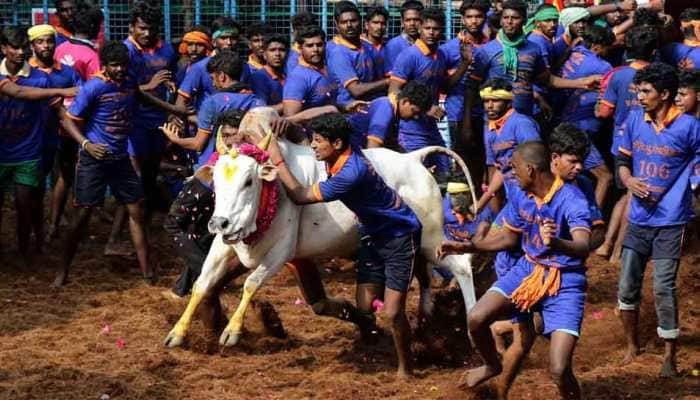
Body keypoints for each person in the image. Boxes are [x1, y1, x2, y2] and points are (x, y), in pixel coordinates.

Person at [267, 112, 422, 379]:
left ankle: (405, 368)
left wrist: (277, 158)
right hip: (373, 236)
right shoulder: (339, 154)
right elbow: (312, 128)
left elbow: (299, 195)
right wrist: (288, 126)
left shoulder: (351, 173)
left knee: (393, 312)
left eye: (318, 141)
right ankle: (378, 343)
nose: (312, 145)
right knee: (364, 308)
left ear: (336, 144)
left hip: (398, 236)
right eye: (313, 140)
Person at [438, 141, 592, 400]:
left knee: (559, 368)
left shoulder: (572, 199)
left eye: (515, 167)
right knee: (476, 318)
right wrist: (466, 246)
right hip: (528, 270)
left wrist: (555, 242)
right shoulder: (521, 196)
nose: (511, 173)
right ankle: (491, 365)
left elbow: (583, 245)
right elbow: (508, 238)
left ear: (531, 170)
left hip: (565, 282)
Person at [616, 62, 700, 377]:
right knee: (627, 284)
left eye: (646, 91)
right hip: (638, 218)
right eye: (639, 91)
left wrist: (693, 184)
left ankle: (669, 356)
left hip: (671, 220)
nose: (640, 96)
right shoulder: (634, 120)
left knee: (663, 287)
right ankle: (630, 345)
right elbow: (622, 160)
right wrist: (628, 181)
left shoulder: (690, 127)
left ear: (664, 94)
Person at [55, 41, 152, 287]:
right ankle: (62, 271)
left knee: (136, 210)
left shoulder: (129, 82)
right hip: (94, 160)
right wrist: (86, 144)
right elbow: (68, 121)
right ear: (105, 65)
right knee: (82, 215)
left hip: (120, 158)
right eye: (115, 65)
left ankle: (147, 272)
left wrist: (177, 110)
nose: (120, 69)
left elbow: (143, 97)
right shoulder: (93, 87)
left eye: (123, 65)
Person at [594, 25, 658, 260]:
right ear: (653, 52)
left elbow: (603, 112)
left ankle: (606, 244)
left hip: (619, 141)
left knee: (625, 195)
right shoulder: (659, 75)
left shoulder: (618, 74)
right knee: (634, 196)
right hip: (646, 143)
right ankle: (618, 251)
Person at [0, 26, 63, 262]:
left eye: (22, 47)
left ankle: (26, 249)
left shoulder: (41, 79)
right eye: (13, 47)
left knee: (25, 203)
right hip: (2, 151)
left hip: (28, 151)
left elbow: (56, 113)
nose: (19, 52)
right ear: (3, 48)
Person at [160, 50, 264, 170]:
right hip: (245, 168)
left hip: (214, 169)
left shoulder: (212, 102)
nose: (213, 84)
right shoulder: (257, 101)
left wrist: (175, 139)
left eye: (212, 78)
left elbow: (198, 144)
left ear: (222, 76)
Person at [27, 25, 82, 242]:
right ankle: (36, 229)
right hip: (33, 137)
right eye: (40, 42)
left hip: (62, 134)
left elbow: (82, 95)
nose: (46, 46)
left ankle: (54, 224)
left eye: (49, 41)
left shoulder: (67, 73)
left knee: (66, 177)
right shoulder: (25, 73)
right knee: (35, 185)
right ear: (32, 46)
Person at [558, 25, 614, 209]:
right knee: (605, 177)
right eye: (607, 48)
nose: (608, 52)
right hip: (579, 132)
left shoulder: (573, 52)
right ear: (598, 47)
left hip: (561, 124)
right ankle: (594, 222)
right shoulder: (603, 67)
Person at [389, 7, 449, 173]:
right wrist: (426, 108)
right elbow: (393, 92)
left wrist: (465, 64)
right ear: (420, 28)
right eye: (427, 28)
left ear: (441, 31)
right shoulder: (409, 56)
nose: (431, 33)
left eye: (435, 29)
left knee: (444, 171)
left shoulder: (441, 55)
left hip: (431, 128)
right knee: (418, 176)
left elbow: (444, 86)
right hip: (410, 130)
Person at [439, 0, 490, 182]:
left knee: (486, 164)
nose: (474, 21)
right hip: (458, 115)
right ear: (462, 19)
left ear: (485, 18)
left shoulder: (491, 47)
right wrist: (464, 64)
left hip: (488, 114)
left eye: (478, 16)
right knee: (463, 167)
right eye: (469, 17)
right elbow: (444, 86)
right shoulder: (448, 49)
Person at [473, 78, 541, 214]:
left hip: (530, 197)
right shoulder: (490, 128)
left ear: (509, 103)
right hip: (512, 197)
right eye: (486, 101)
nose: (490, 105)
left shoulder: (521, 124)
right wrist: (480, 205)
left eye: (496, 100)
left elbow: (537, 162)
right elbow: (499, 169)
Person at [327, 1, 388, 147]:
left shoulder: (368, 48)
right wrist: (387, 82)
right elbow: (356, 90)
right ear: (337, 25)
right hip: (350, 114)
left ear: (361, 23)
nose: (349, 25)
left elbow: (379, 78)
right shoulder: (339, 53)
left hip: (370, 110)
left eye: (353, 21)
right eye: (344, 22)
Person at [176, 17, 241, 110]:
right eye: (223, 38)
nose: (229, 42)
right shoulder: (199, 68)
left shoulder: (246, 68)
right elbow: (181, 102)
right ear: (214, 42)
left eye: (233, 38)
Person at [283, 26, 337, 117]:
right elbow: (290, 118)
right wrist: (327, 110)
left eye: (319, 45)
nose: (315, 49)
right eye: (310, 46)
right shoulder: (297, 78)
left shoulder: (327, 69)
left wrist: (346, 107)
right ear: (300, 48)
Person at [364, 81, 432, 149]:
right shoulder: (385, 109)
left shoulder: (395, 113)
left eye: (419, 114)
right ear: (405, 101)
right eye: (414, 111)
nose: (416, 117)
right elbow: (372, 149)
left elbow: (392, 146)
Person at [54, 6, 103, 80]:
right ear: (93, 26)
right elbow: (94, 87)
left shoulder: (58, 49)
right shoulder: (92, 56)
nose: (100, 29)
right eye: (99, 25)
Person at [250, 34, 288, 114]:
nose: (277, 54)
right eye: (272, 50)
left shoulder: (290, 76)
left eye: (282, 50)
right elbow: (260, 110)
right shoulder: (259, 78)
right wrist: (292, 104)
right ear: (264, 54)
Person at [384, 0, 424, 74]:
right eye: (408, 20)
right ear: (402, 23)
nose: (412, 23)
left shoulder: (427, 43)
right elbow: (391, 75)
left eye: (416, 20)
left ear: (422, 21)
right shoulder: (393, 45)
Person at [361, 6, 390, 76]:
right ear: (367, 25)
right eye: (375, 22)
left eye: (383, 23)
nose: (379, 27)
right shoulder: (359, 45)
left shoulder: (389, 45)